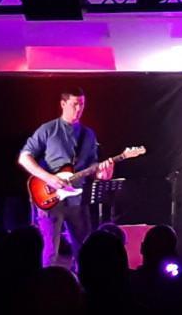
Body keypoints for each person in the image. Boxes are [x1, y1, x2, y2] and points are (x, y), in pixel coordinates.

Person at [18, 88, 114, 266]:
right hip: (50, 199)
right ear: (63, 104)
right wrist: (49, 178)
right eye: (74, 104)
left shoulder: (88, 134)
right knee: (49, 252)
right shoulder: (48, 129)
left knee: (85, 251)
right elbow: (24, 157)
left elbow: (93, 167)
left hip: (78, 200)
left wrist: (103, 173)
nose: (78, 109)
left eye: (82, 104)